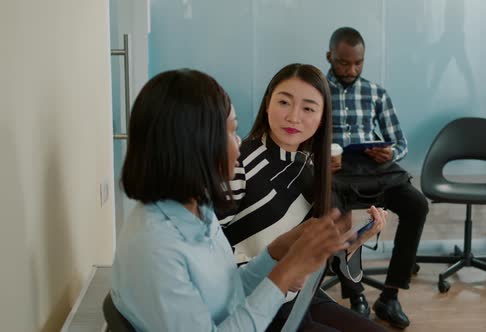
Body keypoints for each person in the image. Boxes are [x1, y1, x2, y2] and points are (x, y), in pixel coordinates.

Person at [110, 69, 355, 332]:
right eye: (229, 132)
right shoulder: (155, 247)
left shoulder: (197, 210)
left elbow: (230, 291)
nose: (239, 144)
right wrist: (285, 273)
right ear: (193, 144)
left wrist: (275, 253)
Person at [217, 63, 388, 331]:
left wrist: (354, 243)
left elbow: (320, 262)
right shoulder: (238, 163)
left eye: (308, 108)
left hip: (300, 298)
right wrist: (281, 271)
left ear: (322, 118)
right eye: (284, 102)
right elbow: (211, 255)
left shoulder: (310, 166)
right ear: (267, 104)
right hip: (254, 306)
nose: (293, 117)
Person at [325, 27, 430, 329]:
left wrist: (390, 153)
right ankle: (355, 294)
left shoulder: (376, 93)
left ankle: (391, 295)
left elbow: (400, 142)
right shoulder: (316, 92)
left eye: (358, 63)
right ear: (330, 56)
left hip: (373, 171)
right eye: (344, 63)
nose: (351, 70)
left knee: (416, 205)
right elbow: (300, 139)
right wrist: (318, 159)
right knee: (338, 215)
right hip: (335, 174)